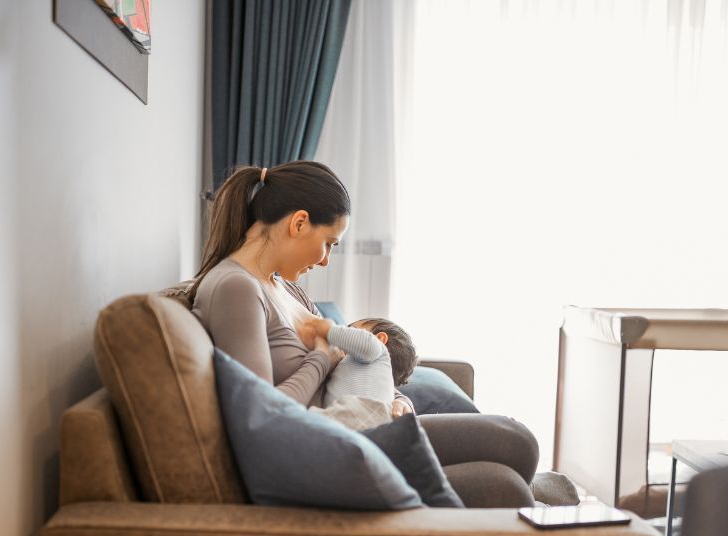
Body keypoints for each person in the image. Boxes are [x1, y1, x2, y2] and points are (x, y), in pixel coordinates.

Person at [190, 160, 540, 507]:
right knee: (507, 471)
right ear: (299, 223)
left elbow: (346, 368)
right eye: (330, 243)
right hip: (329, 448)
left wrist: (393, 399)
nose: (326, 259)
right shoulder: (235, 288)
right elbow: (266, 416)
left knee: (515, 454)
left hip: (359, 428)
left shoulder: (284, 286)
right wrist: (322, 358)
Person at [295, 314, 417, 409]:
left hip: (357, 413)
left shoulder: (377, 350)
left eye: (351, 330)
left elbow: (366, 344)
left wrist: (329, 329)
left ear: (379, 339)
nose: (343, 336)